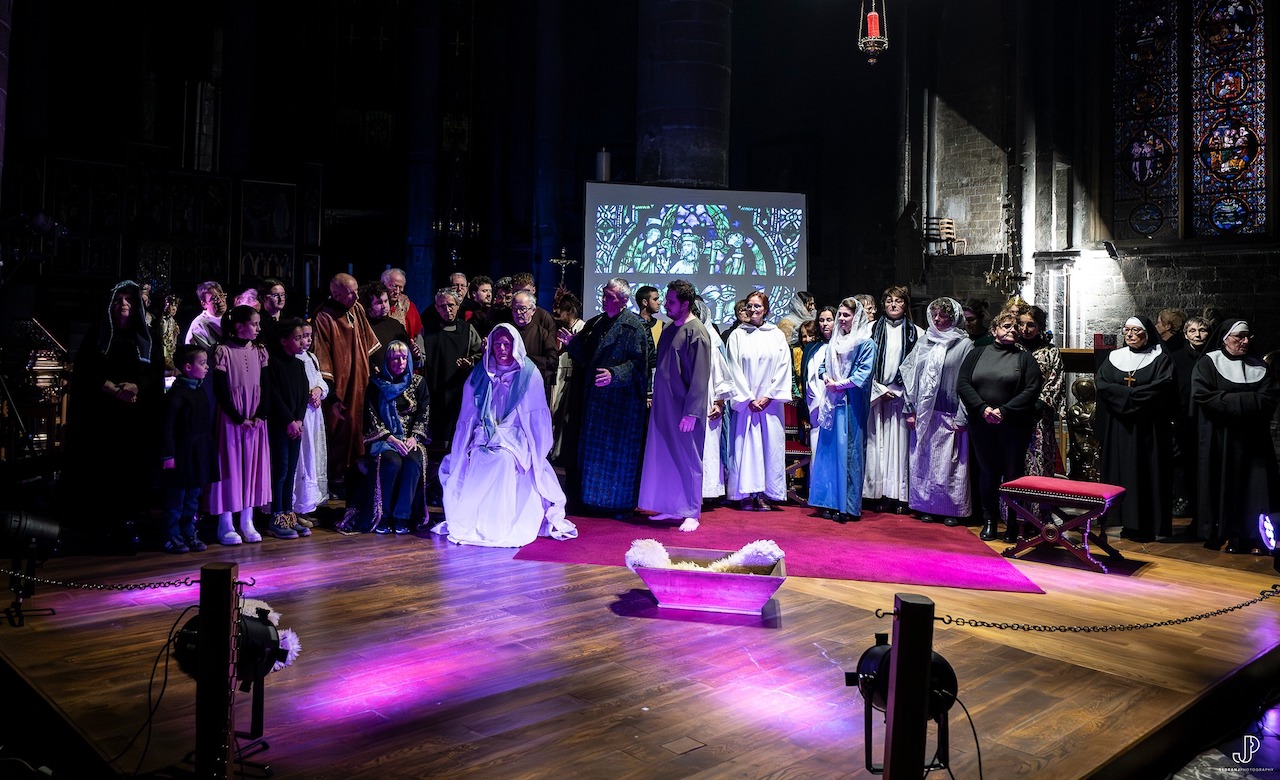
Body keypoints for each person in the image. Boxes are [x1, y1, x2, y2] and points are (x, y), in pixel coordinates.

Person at [434, 324, 578, 546]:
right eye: (498, 344)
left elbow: (535, 415)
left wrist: (516, 439)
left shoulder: (528, 373)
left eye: (507, 344)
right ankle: (478, 519)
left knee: (503, 459)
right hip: (486, 431)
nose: (502, 349)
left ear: (515, 345)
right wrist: (483, 431)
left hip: (516, 433)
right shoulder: (481, 372)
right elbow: (469, 412)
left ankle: (499, 523)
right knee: (480, 456)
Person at [64, 279, 164, 543]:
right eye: (118, 300)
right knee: (102, 469)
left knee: (130, 470)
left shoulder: (147, 339)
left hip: (134, 417)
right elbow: (84, 372)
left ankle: (127, 520)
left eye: (129, 299)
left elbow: (154, 374)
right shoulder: (97, 336)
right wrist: (107, 386)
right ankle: (100, 523)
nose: (124, 304)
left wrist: (137, 386)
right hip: (102, 416)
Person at [562, 277, 655, 517]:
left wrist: (615, 374)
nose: (604, 300)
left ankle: (618, 504)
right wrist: (573, 344)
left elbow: (640, 366)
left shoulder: (633, 327)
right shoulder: (597, 323)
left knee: (616, 459)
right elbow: (589, 359)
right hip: (596, 404)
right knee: (594, 457)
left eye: (609, 297)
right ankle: (591, 502)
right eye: (604, 295)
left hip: (619, 407)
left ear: (623, 301)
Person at [1193, 319, 1280, 554]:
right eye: (1239, 337)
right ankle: (1225, 534)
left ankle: (1256, 537)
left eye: (1247, 336)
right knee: (1225, 486)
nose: (1244, 341)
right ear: (1225, 339)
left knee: (1256, 489)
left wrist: (1230, 398)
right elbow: (1203, 395)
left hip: (1254, 440)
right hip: (1222, 438)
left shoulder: (1259, 366)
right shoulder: (1208, 363)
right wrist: (1248, 400)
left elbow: (1269, 398)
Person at [957, 310, 1043, 541]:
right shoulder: (977, 353)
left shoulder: (1024, 358)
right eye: (1006, 326)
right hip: (981, 423)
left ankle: (1013, 524)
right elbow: (963, 383)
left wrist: (1004, 411)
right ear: (994, 330)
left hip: (1013, 425)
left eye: (1015, 327)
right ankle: (990, 521)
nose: (1012, 330)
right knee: (988, 472)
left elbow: (1032, 389)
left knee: (1012, 473)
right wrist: (982, 408)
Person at [637, 280, 713, 531]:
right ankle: (670, 506)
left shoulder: (697, 332)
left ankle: (691, 511)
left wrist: (691, 412)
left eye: (671, 302)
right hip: (664, 406)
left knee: (688, 458)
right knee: (666, 456)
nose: (666, 306)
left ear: (685, 304)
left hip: (684, 409)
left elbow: (700, 377)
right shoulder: (669, 330)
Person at [1094, 316, 1177, 542]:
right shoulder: (1114, 357)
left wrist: (1124, 397)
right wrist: (1131, 397)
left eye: (1135, 330)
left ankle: (1146, 525)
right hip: (1120, 428)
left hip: (1149, 428)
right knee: (1123, 473)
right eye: (1127, 330)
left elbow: (1162, 388)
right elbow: (1102, 384)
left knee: (1147, 473)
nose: (1130, 334)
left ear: (1147, 333)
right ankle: (1126, 522)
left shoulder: (1161, 358)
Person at [900, 297, 974, 526]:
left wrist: (962, 415)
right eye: (934, 315)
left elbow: (967, 382)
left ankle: (952, 509)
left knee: (950, 465)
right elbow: (910, 374)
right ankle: (926, 506)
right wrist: (909, 408)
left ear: (954, 318)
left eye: (943, 315)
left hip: (949, 412)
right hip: (924, 412)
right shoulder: (924, 341)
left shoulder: (964, 344)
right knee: (925, 462)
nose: (937, 319)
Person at [207, 305, 273, 545]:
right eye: (254, 324)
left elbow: (267, 385)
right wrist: (237, 417)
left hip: (255, 419)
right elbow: (220, 389)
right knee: (230, 468)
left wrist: (260, 415)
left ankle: (247, 520)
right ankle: (225, 523)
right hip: (232, 419)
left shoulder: (260, 351)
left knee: (252, 468)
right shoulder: (223, 351)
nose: (258, 328)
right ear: (238, 326)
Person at [807, 297, 876, 523]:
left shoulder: (866, 343)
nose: (842, 319)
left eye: (847, 315)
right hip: (832, 401)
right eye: (841, 315)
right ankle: (828, 501)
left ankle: (847, 506)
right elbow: (822, 366)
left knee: (849, 453)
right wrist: (826, 377)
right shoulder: (835, 341)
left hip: (851, 404)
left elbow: (862, 375)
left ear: (857, 317)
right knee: (829, 452)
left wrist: (839, 384)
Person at [312, 272, 381, 495]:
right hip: (340, 384)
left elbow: (368, 343)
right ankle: (335, 477)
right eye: (351, 293)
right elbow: (321, 356)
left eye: (356, 291)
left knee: (360, 426)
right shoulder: (323, 317)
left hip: (361, 380)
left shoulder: (356, 308)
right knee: (340, 428)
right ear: (336, 295)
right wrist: (332, 394)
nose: (357, 296)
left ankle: (355, 474)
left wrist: (374, 366)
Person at [725, 290, 793, 511]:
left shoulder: (776, 335)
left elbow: (784, 366)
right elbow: (733, 368)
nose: (753, 309)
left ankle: (765, 493)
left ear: (765, 309)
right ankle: (745, 493)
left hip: (769, 404)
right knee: (745, 447)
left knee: (768, 447)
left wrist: (769, 396)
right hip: (747, 404)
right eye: (750, 305)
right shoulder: (737, 336)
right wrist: (747, 398)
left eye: (757, 306)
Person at [864, 286, 923, 514]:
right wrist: (878, 389)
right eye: (889, 301)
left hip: (901, 398)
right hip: (876, 396)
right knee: (875, 446)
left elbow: (917, 368)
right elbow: (863, 363)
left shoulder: (917, 333)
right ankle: (875, 493)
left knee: (898, 448)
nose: (893, 305)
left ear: (905, 305)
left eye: (898, 301)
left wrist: (899, 389)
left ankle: (898, 495)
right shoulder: (870, 329)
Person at [362, 341, 431, 535]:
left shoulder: (418, 383)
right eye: (394, 358)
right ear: (387, 361)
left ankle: (403, 516)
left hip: (410, 439)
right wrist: (391, 439)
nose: (399, 362)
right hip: (385, 440)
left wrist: (414, 437)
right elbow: (371, 415)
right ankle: (383, 515)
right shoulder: (376, 384)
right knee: (392, 462)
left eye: (403, 358)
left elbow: (424, 412)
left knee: (413, 461)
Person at [159, 344, 216, 553]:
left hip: (198, 454)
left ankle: (188, 531)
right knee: (177, 497)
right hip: (181, 455)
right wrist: (168, 456)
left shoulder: (200, 391)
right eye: (202, 363)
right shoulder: (175, 396)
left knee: (193, 496)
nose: (207, 367)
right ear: (188, 367)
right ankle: (171, 535)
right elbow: (167, 428)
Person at [263, 317, 311, 539]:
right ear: (283, 341)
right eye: (297, 338)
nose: (302, 342)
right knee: (280, 470)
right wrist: (289, 421)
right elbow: (273, 395)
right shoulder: (273, 364)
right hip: (280, 425)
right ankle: (276, 515)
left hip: (295, 426)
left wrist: (299, 420)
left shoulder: (299, 365)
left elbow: (303, 395)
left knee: (291, 470)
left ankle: (288, 513)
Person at [419, 287, 484, 447]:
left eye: (451, 305)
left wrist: (470, 361)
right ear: (436, 307)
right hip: (434, 389)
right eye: (442, 306)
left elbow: (481, 354)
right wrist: (415, 354)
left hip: (459, 390)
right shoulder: (427, 330)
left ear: (458, 305)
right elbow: (420, 359)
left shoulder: (467, 330)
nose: (447, 309)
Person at [1017, 304, 1065, 479]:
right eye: (1021, 324)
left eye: (1030, 325)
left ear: (1039, 326)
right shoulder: (1013, 349)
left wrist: (1038, 404)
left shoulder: (1050, 351)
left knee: (1039, 454)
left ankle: (1039, 495)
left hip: (1039, 415)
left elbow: (1055, 380)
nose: (1025, 329)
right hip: (1014, 412)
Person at [1172, 316, 1212, 520]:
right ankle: (1184, 498)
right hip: (1183, 418)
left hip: (1209, 417)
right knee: (1182, 461)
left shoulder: (1214, 357)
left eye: (1202, 330)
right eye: (1193, 331)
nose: (1198, 335)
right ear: (1185, 335)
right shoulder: (1175, 358)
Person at [291, 321, 328, 528]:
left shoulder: (311, 358)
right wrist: (308, 393)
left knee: (312, 458)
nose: (307, 340)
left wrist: (319, 390)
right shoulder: (292, 359)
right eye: (303, 336)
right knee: (301, 461)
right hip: (301, 414)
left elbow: (319, 379)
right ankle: (294, 508)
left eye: (309, 336)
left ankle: (306, 506)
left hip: (314, 416)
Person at [551, 291, 585, 462]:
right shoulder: (558, 328)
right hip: (559, 373)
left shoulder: (582, 328)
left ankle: (559, 453)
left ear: (569, 311)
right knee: (554, 412)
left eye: (560, 309)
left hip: (571, 376)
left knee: (564, 415)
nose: (557, 313)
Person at [508, 290, 559, 401]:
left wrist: (524, 361)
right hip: (509, 388)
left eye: (522, 309)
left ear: (533, 310)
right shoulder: (506, 332)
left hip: (534, 388)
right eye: (514, 309)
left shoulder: (543, 334)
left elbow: (552, 361)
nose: (518, 313)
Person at [362, 280, 412, 371]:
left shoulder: (396, 326)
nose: (384, 306)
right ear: (369, 306)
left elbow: (407, 354)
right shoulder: (363, 327)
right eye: (379, 303)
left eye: (386, 301)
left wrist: (415, 354)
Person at [381, 267, 424, 353]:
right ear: (383, 284)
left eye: (400, 287)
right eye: (394, 286)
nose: (397, 291)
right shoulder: (374, 305)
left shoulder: (408, 306)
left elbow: (417, 334)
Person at [185, 281, 227, 349]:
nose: (220, 300)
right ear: (204, 304)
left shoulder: (230, 318)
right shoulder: (199, 325)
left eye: (221, 296)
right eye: (214, 298)